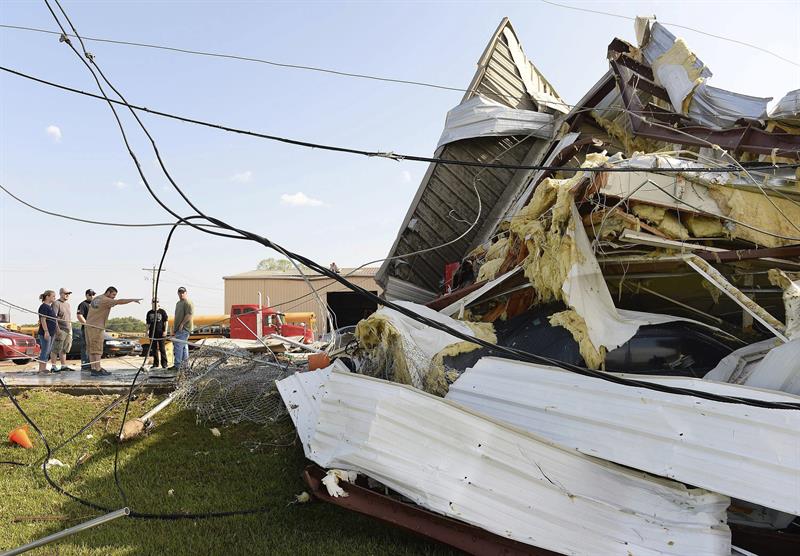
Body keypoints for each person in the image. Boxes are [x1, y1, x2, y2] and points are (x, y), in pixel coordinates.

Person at [85, 286, 141, 376]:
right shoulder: (106, 300)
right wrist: (132, 300)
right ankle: (97, 369)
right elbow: (120, 301)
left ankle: (94, 369)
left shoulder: (97, 298)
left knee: (92, 349)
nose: (114, 297)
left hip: (89, 326)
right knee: (98, 349)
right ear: (108, 292)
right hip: (97, 327)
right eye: (113, 294)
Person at [50, 288, 75, 372]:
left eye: (68, 293)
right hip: (60, 329)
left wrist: (71, 329)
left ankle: (63, 366)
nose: (67, 295)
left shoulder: (68, 304)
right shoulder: (56, 303)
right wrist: (57, 330)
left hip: (68, 329)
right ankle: (53, 367)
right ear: (60, 293)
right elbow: (53, 318)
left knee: (65, 348)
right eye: (65, 293)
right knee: (56, 348)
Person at [171, 287, 194, 370]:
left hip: (184, 328)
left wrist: (182, 324)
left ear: (186, 293)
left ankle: (177, 365)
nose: (181, 294)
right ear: (178, 293)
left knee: (178, 346)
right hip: (178, 328)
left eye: (183, 292)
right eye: (180, 292)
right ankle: (185, 365)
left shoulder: (188, 302)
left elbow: (189, 314)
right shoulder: (178, 303)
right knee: (184, 347)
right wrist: (175, 328)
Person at [36, 290, 58, 373]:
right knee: (45, 350)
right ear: (47, 297)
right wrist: (46, 331)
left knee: (48, 351)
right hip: (46, 333)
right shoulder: (44, 307)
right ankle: (41, 369)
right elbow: (43, 319)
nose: (54, 298)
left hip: (52, 333)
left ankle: (43, 368)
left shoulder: (50, 307)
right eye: (53, 296)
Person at [146, 299, 169, 369]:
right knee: (154, 349)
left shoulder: (162, 311)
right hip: (152, 333)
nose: (155, 303)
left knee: (162, 348)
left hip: (161, 333)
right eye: (153, 301)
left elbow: (166, 321)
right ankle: (156, 364)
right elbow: (148, 323)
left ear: (159, 303)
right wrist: (146, 331)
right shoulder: (149, 313)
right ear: (151, 303)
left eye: (157, 301)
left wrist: (165, 330)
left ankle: (164, 364)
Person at [76, 289, 95, 371]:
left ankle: (93, 365)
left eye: (93, 294)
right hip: (86, 329)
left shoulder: (96, 305)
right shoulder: (83, 304)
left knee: (93, 347)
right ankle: (85, 365)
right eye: (90, 295)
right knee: (86, 347)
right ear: (86, 295)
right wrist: (87, 324)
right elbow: (79, 315)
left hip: (95, 329)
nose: (92, 296)